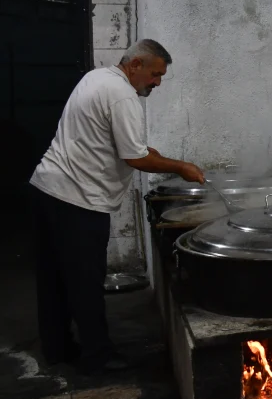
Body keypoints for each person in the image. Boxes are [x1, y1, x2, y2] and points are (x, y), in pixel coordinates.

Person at [29, 39, 205, 374]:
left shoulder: (96, 79)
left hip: (46, 189)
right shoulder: (123, 95)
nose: (157, 83)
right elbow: (135, 157)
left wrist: (153, 153)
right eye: (155, 74)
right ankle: (98, 357)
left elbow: (126, 143)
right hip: (76, 200)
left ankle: (57, 348)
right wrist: (180, 166)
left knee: (53, 277)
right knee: (84, 281)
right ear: (135, 64)